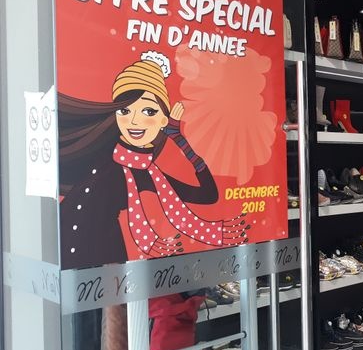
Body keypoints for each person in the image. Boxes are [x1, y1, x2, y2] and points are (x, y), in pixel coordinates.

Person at [59, 51, 248, 270]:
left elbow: (208, 194)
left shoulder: (145, 173)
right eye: (125, 110)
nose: (134, 121)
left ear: (163, 120)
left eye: (148, 111)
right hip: (63, 251)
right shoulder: (99, 148)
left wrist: (178, 138)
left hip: (101, 256)